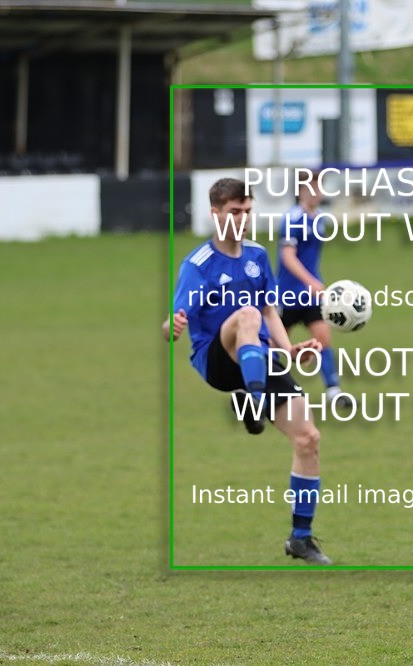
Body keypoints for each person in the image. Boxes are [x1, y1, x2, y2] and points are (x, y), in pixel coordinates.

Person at [163, 177, 332, 565]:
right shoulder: (197, 265)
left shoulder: (256, 255)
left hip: (258, 357)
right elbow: (173, 322)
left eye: (247, 211)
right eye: (234, 212)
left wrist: (289, 350)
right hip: (217, 361)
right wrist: (170, 328)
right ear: (215, 214)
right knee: (246, 315)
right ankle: (253, 400)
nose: (242, 219)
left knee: (308, 438)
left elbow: (271, 311)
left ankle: (300, 538)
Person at [276, 169, 352, 408]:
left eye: (319, 187)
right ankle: (256, 390)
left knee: (322, 338)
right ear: (300, 191)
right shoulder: (293, 218)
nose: (316, 192)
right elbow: (287, 256)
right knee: (274, 347)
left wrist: (313, 282)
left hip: (311, 296)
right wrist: (309, 280)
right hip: (288, 295)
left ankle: (334, 391)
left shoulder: (319, 219)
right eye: (310, 188)